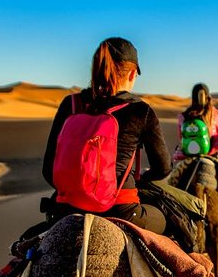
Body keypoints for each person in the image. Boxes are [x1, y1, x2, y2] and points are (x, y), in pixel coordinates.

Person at [41, 37, 171, 232]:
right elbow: (162, 168)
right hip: (121, 209)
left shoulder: (71, 104)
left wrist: (79, 192)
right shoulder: (140, 111)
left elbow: (48, 170)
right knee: (168, 220)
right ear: (133, 73)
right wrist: (140, 179)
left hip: (65, 209)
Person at [172, 83, 218, 232]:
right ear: (208, 96)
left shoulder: (183, 117)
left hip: (187, 159)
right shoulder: (214, 115)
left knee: (171, 184)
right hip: (212, 157)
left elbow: (181, 138)